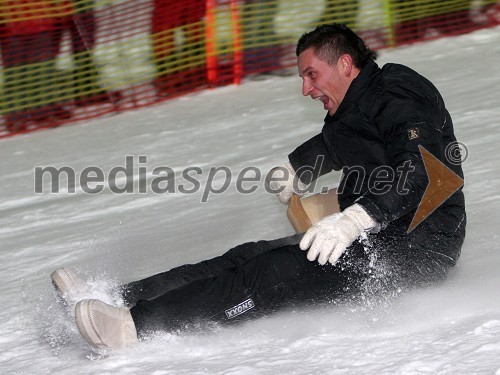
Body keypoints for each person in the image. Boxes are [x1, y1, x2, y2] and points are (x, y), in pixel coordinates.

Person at [51, 23, 466, 351]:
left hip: (417, 248)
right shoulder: (354, 106)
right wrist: (297, 167)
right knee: (247, 255)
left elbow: (429, 171)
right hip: (379, 234)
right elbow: (344, 142)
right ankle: (114, 297)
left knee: (274, 272)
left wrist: (355, 219)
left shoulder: (398, 93)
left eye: (310, 74)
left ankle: (132, 329)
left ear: (344, 64)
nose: (305, 88)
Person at [0, 0, 72, 132]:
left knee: (43, 71)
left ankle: (42, 111)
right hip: (11, 26)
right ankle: (15, 116)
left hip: (42, 23)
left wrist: (63, 12)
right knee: (15, 73)